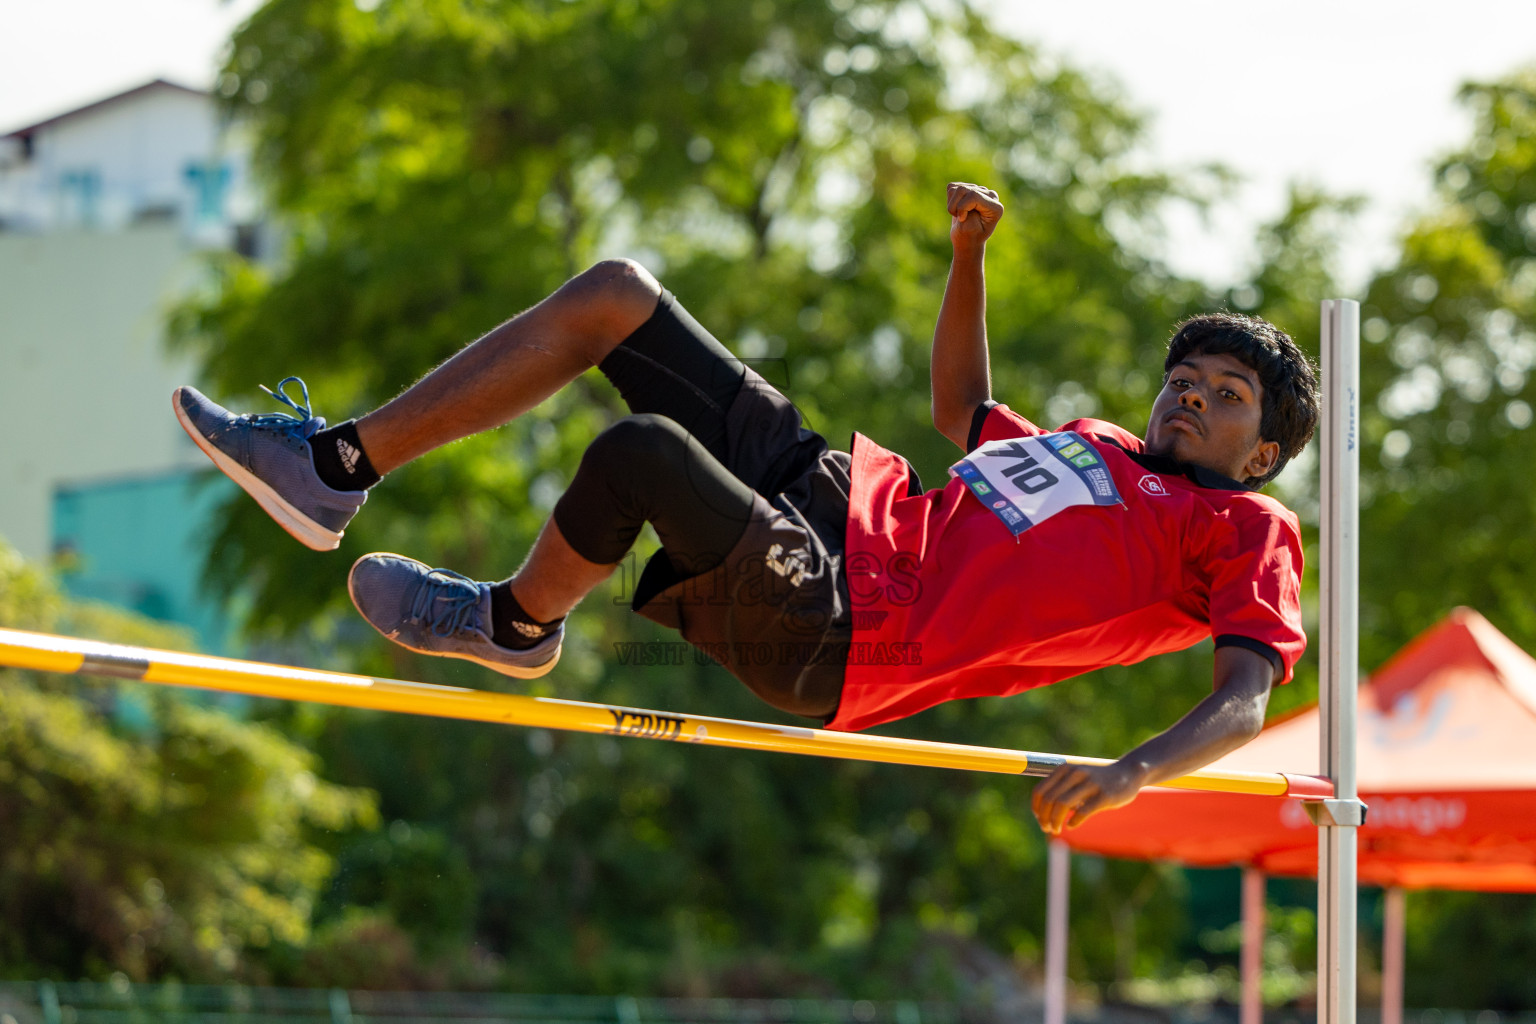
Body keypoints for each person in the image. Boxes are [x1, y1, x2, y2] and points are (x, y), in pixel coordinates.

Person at [173, 182, 1318, 834]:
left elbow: (1245, 694)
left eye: (1224, 400)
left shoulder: (1244, 531)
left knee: (642, 456)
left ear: (1262, 452)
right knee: (620, 293)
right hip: (841, 505)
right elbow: (962, 405)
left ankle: (514, 625)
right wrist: (968, 257)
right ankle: (334, 467)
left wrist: (1134, 769)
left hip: (852, 630)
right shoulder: (1100, 448)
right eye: (1185, 378)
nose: (1190, 398)